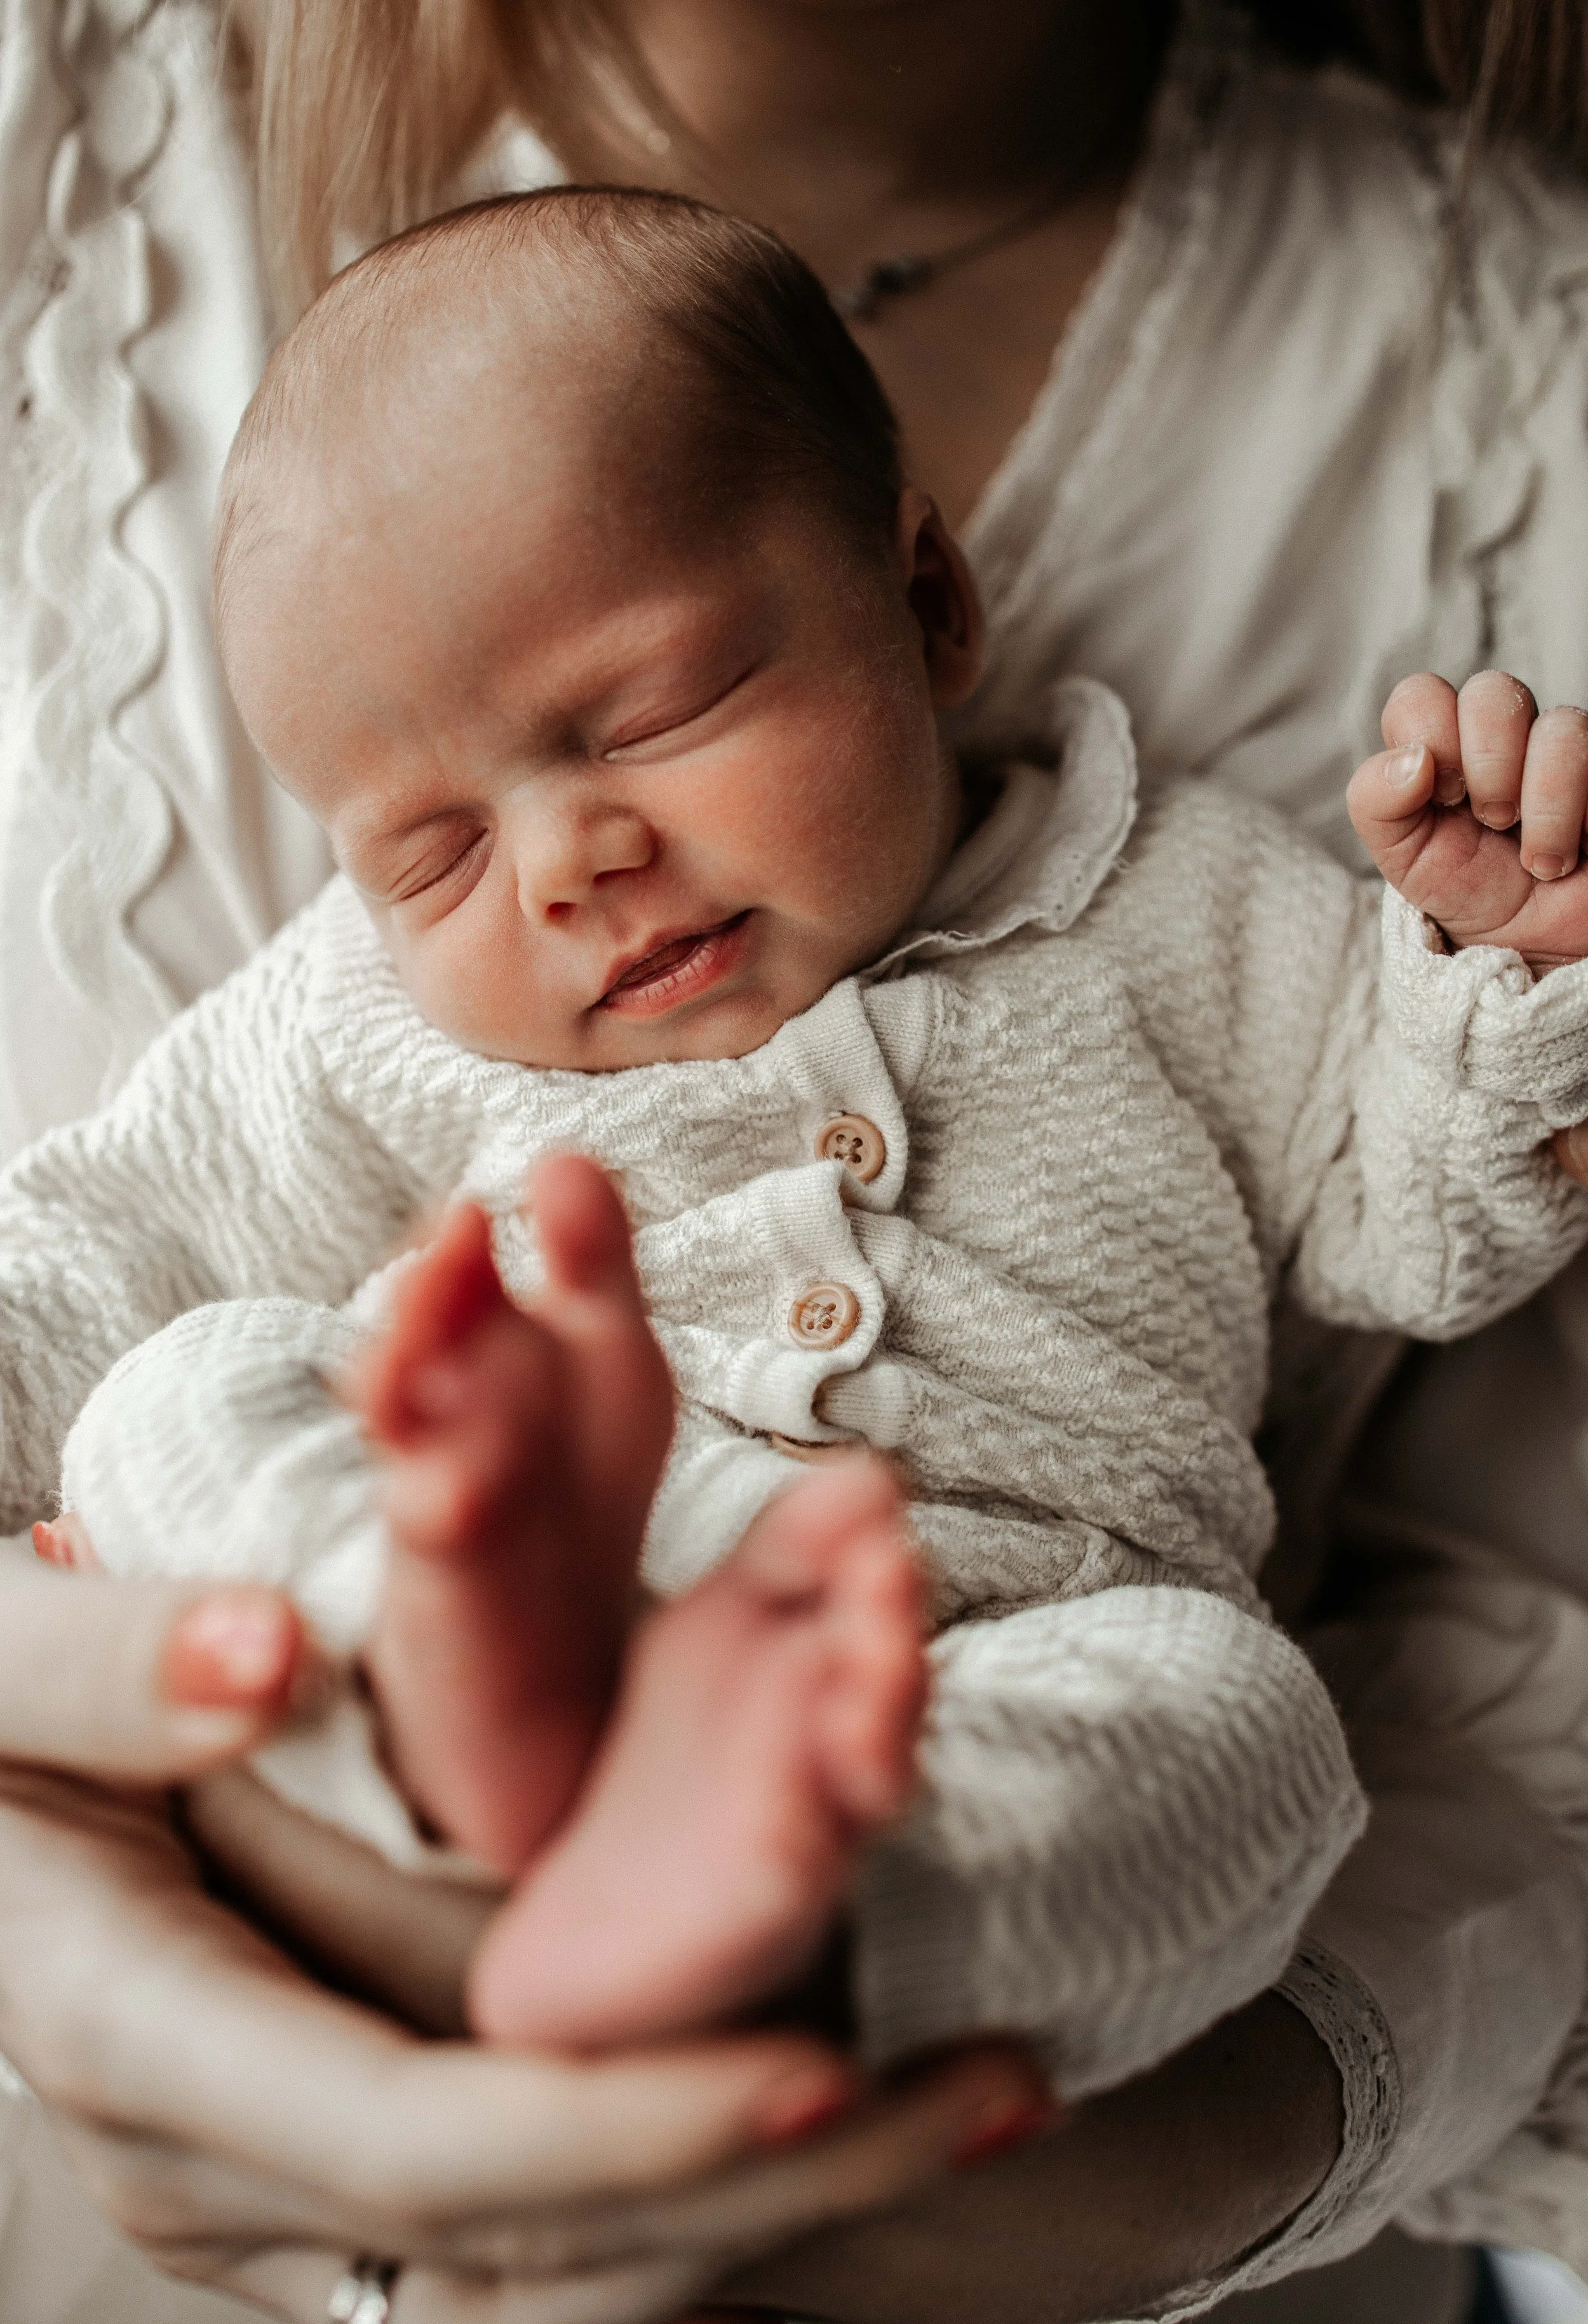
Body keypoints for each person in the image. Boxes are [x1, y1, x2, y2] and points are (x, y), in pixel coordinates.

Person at [6, 1, 1588, 2319]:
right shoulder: (349, 1018)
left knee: (1245, 1729)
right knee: (191, 1386)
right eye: (431, 847)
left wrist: (1498, 974)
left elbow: (1420, 1221)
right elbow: (88, 1240)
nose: (565, 864)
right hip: (445, 1644)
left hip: (986, 1670)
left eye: (647, 719)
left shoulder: (1191, 905)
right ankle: (448, 1676)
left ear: (928, 607)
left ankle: (814, 1922)